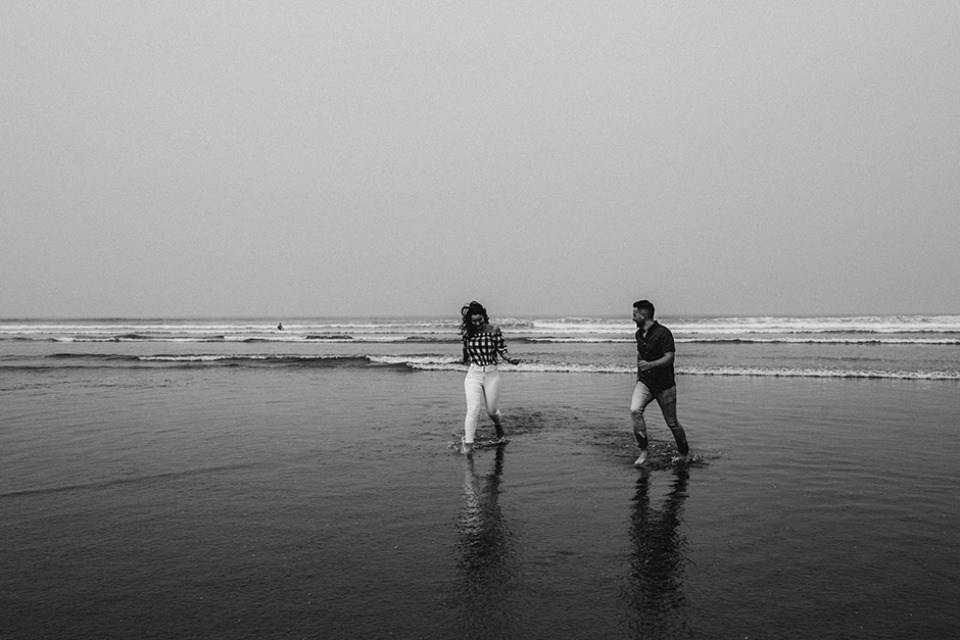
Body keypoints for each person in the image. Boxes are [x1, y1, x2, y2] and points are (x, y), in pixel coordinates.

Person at [630, 300, 690, 465]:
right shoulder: (639, 334)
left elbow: (669, 358)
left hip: (665, 386)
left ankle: (684, 453)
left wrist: (651, 364)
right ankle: (644, 451)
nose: (633, 318)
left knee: (672, 423)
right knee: (635, 410)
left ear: (644, 315)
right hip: (645, 383)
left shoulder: (663, 333)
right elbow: (640, 356)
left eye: (635, 315)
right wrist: (638, 377)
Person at [460, 301, 520, 455]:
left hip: (492, 374)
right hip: (473, 374)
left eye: (480, 320)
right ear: (470, 321)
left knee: (491, 411)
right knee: (472, 409)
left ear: (484, 317)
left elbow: (502, 349)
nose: (477, 323)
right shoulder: (468, 333)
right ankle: (468, 444)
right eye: (474, 321)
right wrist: (464, 359)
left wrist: (509, 359)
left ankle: (498, 425)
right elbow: (465, 350)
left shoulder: (494, 330)